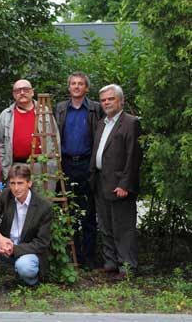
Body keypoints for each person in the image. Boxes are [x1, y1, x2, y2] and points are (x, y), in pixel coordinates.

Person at [90, 84, 141, 279]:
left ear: (121, 100)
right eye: (103, 100)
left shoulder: (130, 122)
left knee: (123, 228)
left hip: (120, 184)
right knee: (106, 225)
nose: (106, 103)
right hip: (101, 181)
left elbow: (133, 156)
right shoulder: (102, 123)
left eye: (110, 99)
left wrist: (125, 184)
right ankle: (111, 263)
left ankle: (127, 267)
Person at [0, 164, 53, 293]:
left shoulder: (43, 206)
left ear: (29, 183)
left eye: (20, 183)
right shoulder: (6, 195)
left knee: (25, 267)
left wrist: (14, 249)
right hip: (4, 244)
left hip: (27, 251)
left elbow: (42, 243)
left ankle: (31, 281)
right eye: (12, 183)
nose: (16, 188)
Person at [55, 72, 104, 269]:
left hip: (87, 164)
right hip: (65, 164)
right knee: (68, 212)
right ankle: (72, 256)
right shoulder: (60, 109)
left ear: (86, 88)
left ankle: (89, 257)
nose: (76, 87)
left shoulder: (95, 109)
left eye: (80, 84)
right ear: (69, 88)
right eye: (73, 84)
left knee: (89, 212)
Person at [0, 79, 60, 186]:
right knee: (18, 201)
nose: (22, 93)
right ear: (13, 94)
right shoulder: (6, 115)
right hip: (16, 166)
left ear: (32, 92)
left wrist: (54, 165)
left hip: (42, 166)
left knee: (43, 201)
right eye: (18, 90)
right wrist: (5, 165)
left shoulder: (44, 112)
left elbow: (55, 140)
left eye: (25, 89)